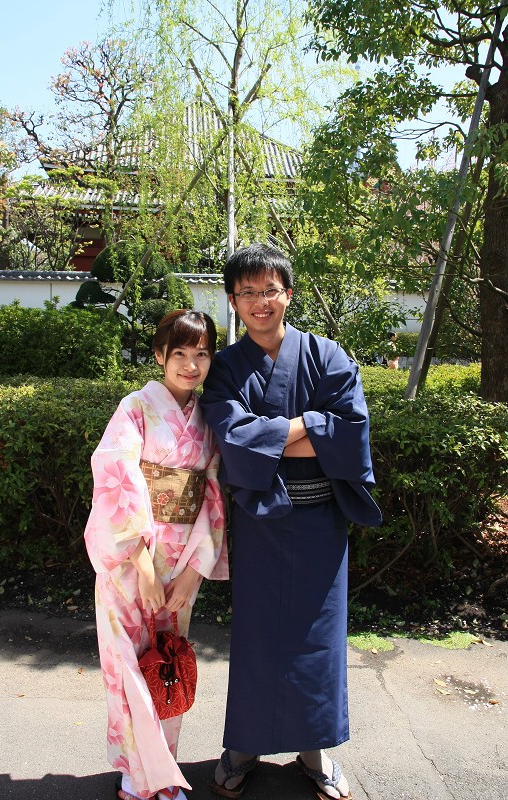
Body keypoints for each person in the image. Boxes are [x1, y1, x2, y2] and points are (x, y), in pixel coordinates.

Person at [200, 244, 382, 800]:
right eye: (248, 292)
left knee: (318, 639)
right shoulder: (226, 367)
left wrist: (275, 434)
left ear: (288, 293)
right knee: (257, 638)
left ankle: (315, 749)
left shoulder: (327, 355)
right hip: (260, 520)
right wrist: (309, 429)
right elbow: (233, 440)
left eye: (270, 290)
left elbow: (349, 434)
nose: (260, 302)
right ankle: (245, 745)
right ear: (233, 299)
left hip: (320, 521)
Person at [84, 310, 228, 800]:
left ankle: (163, 771)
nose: (191, 364)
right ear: (159, 356)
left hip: (181, 561)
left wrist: (193, 574)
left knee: (167, 662)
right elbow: (114, 477)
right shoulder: (135, 408)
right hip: (131, 564)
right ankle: (135, 774)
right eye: (180, 353)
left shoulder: (209, 418)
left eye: (202, 353)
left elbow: (212, 497)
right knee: (127, 664)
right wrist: (143, 565)